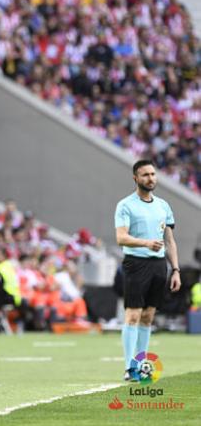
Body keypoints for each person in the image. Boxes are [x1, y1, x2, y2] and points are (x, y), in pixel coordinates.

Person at [115, 160, 181, 381]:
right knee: (132, 315)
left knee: (148, 317)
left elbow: (170, 241)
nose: (150, 178)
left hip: (158, 266)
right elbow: (120, 237)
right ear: (135, 178)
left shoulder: (163, 205)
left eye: (153, 174)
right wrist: (145, 243)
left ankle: (141, 363)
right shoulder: (125, 205)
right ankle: (128, 367)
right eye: (145, 175)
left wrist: (176, 270)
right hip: (135, 263)